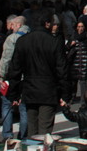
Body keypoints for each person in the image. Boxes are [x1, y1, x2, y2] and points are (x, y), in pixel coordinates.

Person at [7, 8, 70, 137]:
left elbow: (14, 69)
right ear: (47, 23)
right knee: (45, 129)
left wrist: (13, 93)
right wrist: (65, 93)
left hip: (29, 88)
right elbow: (62, 70)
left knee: (32, 127)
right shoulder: (54, 42)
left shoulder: (22, 41)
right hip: (48, 89)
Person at [0, 15, 29, 142]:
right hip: (28, 77)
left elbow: (6, 59)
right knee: (24, 108)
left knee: (6, 104)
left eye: (13, 25)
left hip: (12, 76)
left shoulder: (12, 38)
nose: (11, 28)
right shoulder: (32, 37)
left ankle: (7, 134)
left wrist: (2, 76)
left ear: (18, 25)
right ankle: (23, 135)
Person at [67, 21, 87, 103]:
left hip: (84, 62)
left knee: (83, 82)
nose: (80, 28)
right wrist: (70, 45)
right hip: (74, 63)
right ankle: (72, 97)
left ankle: (84, 99)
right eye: (79, 26)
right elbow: (66, 48)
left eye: (82, 26)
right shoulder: (73, 36)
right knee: (73, 82)